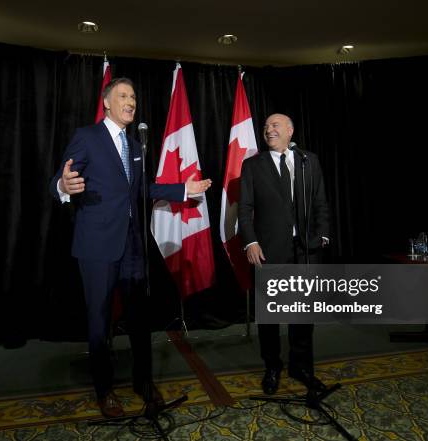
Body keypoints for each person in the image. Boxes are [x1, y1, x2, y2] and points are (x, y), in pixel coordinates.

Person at [50, 78, 211, 417]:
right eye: (123, 96)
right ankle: (104, 390)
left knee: (140, 317)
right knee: (100, 320)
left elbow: (142, 191)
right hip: (96, 246)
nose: (131, 102)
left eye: (134, 97)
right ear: (106, 103)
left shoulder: (136, 145)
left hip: (133, 245)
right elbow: (60, 179)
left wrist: (184, 189)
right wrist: (63, 185)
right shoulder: (87, 137)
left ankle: (143, 382)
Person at [238, 113, 330, 394]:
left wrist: (322, 234)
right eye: (266, 127)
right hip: (269, 251)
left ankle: (300, 366)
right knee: (270, 317)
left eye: (275, 125)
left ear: (290, 130)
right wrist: (250, 242)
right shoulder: (253, 165)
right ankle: (272, 366)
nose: (269, 130)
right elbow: (244, 208)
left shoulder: (308, 161)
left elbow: (320, 202)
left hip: (304, 251)